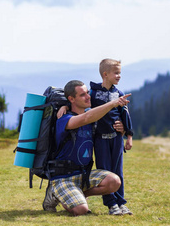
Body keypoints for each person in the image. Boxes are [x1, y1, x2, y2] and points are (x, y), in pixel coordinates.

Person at [42, 79, 131, 216]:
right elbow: (85, 118)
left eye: (88, 93)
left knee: (114, 181)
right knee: (81, 210)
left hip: (84, 175)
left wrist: (122, 129)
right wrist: (113, 103)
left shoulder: (92, 115)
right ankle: (54, 193)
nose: (88, 97)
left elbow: (103, 120)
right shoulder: (64, 119)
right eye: (82, 95)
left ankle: (80, 194)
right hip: (63, 177)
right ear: (71, 99)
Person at [89, 58, 133, 215]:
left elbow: (125, 114)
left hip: (116, 139)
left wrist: (129, 136)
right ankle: (111, 205)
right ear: (105, 74)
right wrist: (66, 106)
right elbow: (81, 107)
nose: (119, 76)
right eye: (116, 73)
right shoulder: (92, 94)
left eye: (120, 73)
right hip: (100, 140)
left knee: (118, 172)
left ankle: (121, 203)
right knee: (106, 173)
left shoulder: (118, 94)